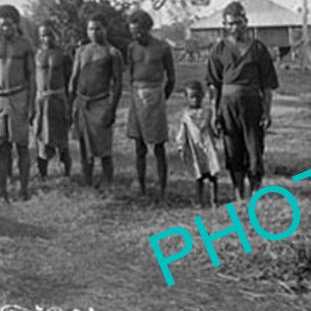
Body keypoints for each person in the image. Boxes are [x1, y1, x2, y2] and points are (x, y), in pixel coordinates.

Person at [206, 0, 278, 200]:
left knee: (254, 150)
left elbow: (267, 85)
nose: (234, 27)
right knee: (233, 149)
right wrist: (214, 113)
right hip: (227, 106)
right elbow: (214, 85)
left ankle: (255, 192)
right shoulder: (218, 49)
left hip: (252, 104)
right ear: (224, 25)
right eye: (229, 24)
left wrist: (267, 111)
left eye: (238, 22)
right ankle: (239, 194)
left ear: (246, 22)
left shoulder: (258, 49)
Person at [126, 10, 176, 200]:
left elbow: (171, 78)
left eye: (140, 32)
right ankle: (142, 186)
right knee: (139, 146)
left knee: (159, 146)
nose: (137, 36)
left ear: (148, 29)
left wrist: (161, 98)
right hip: (137, 95)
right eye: (133, 33)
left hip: (156, 96)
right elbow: (131, 75)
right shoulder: (131, 48)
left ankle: (163, 188)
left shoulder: (163, 48)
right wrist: (137, 94)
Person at [0, 5, 36, 202]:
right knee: (1, 146)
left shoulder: (25, 45)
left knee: (22, 146)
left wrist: (32, 105)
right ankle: (2, 190)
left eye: (9, 25)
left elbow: (32, 76)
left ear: (16, 24)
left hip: (19, 96)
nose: (5, 29)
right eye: (1, 25)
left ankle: (24, 189)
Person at [69, 16, 123, 188]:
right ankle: (88, 181)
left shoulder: (113, 53)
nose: (94, 32)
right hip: (82, 102)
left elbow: (118, 83)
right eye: (90, 29)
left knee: (104, 148)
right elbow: (74, 77)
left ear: (105, 29)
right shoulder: (81, 51)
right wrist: (71, 104)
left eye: (98, 28)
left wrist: (111, 110)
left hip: (101, 102)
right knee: (84, 147)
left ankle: (108, 182)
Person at [33, 22, 72, 180]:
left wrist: (69, 104)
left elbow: (70, 80)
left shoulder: (63, 55)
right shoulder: (36, 55)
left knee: (62, 140)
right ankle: (43, 175)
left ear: (55, 34)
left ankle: (67, 173)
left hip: (59, 99)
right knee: (41, 139)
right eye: (43, 35)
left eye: (49, 34)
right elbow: (32, 79)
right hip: (42, 100)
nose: (47, 38)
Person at [175, 80, 221, 207]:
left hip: (208, 146)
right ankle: (199, 200)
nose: (195, 100)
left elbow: (212, 128)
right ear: (186, 98)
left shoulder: (208, 112)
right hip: (195, 148)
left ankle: (214, 200)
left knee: (213, 175)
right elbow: (182, 131)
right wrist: (180, 144)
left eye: (197, 96)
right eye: (192, 97)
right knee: (199, 176)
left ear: (202, 96)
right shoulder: (185, 115)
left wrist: (217, 130)